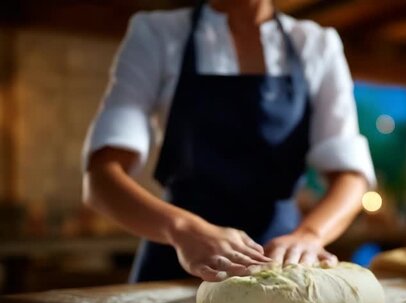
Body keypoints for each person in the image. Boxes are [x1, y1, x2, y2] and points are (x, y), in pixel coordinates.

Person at [82, 0, 376, 283]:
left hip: (279, 262)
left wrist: (310, 234)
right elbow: (100, 180)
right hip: (175, 260)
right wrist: (185, 229)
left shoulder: (316, 44)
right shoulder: (157, 33)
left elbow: (351, 177)